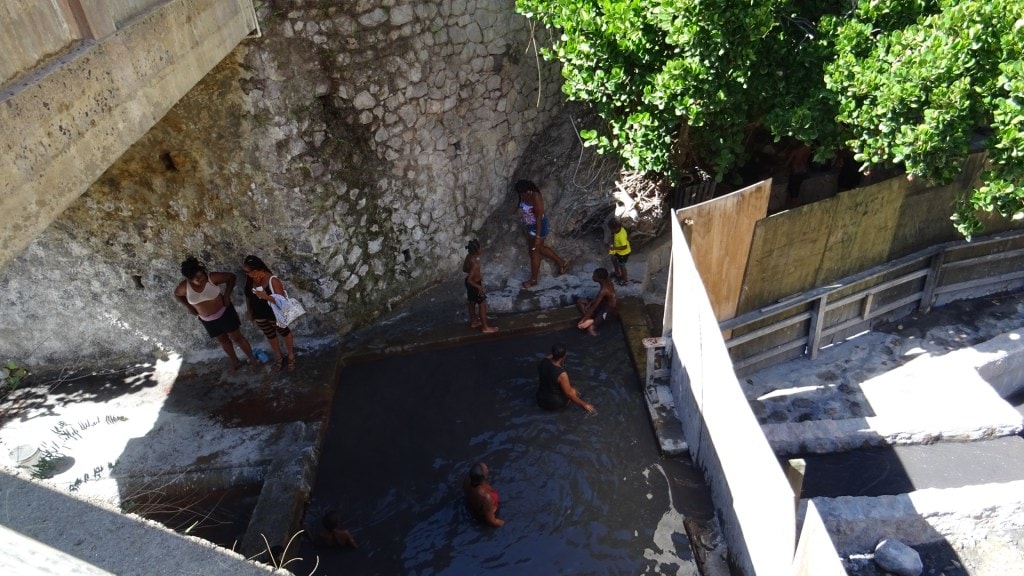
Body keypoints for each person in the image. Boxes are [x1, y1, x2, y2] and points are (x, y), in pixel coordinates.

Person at [174, 256, 259, 372]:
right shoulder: (185, 286)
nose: (201, 279)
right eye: (197, 278)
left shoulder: (212, 278)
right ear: (189, 279)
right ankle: (235, 361)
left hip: (225, 313)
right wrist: (189, 306)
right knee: (223, 340)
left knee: (237, 337)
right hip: (207, 320)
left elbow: (231, 277)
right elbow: (177, 295)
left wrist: (227, 295)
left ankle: (252, 359)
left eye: (202, 275)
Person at [241, 255, 298, 371]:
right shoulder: (249, 278)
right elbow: (248, 296)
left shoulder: (273, 280)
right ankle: (278, 356)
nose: (248, 274)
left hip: (274, 314)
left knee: (284, 333)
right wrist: (249, 310)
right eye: (246, 272)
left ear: (259, 269)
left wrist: (265, 297)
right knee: (270, 334)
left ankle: (291, 354)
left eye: (250, 272)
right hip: (259, 314)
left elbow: (282, 300)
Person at [513, 179, 569, 289]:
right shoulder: (523, 196)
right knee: (539, 248)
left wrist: (538, 237)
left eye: (521, 193)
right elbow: (521, 205)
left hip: (538, 227)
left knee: (534, 252)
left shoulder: (536, 198)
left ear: (527, 191)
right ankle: (562, 262)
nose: (520, 195)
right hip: (530, 226)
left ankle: (533, 280)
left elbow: (538, 219)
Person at [536, 344, 594, 413]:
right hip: (554, 403)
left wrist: (557, 354)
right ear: (564, 356)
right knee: (574, 391)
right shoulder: (562, 374)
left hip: (540, 400)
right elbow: (569, 394)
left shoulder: (543, 362)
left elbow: (549, 357)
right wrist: (584, 404)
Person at [462, 240, 498, 333]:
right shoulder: (475, 264)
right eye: (480, 248)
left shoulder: (468, 256)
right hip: (474, 284)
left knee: (472, 302)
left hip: (470, 284)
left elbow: (464, 269)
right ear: (476, 250)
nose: (481, 249)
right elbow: (470, 280)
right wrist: (479, 287)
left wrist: (475, 273)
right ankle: (485, 327)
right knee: (482, 305)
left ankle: (474, 321)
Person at [575, 268, 617, 336]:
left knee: (591, 329)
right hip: (603, 304)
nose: (592, 277)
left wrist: (583, 319)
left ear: (600, 279)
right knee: (580, 301)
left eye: (594, 276)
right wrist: (590, 303)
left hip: (608, 309)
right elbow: (598, 297)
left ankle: (591, 323)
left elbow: (594, 307)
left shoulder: (604, 290)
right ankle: (590, 319)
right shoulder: (606, 283)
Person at [463, 462, 504, 527]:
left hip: (473, 505)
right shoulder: (486, 497)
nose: (487, 468)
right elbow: (491, 521)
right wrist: (504, 523)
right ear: (484, 476)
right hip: (487, 512)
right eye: (486, 469)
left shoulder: (467, 479)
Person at [607, 219, 631, 286]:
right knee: (613, 259)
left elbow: (624, 247)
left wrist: (614, 248)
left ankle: (625, 280)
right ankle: (617, 273)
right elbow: (614, 235)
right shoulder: (620, 229)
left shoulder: (621, 236)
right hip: (618, 251)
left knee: (622, 266)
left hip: (623, 253)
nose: (611, 230)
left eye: (611, 229)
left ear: (616, 228)